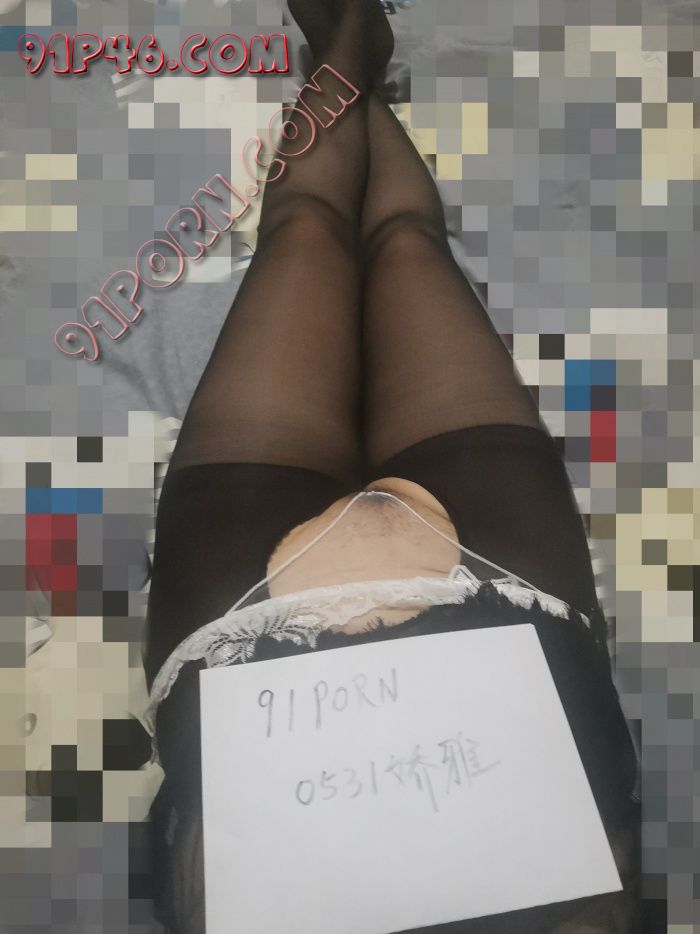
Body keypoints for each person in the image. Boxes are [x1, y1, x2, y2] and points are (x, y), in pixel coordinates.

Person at [144, 0, 640, 929]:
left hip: (244, 662)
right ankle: (354, 59)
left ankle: (343, 57)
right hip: (514, 631)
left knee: (306, 236)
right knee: (405, 242)